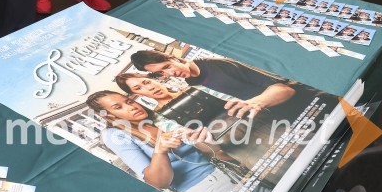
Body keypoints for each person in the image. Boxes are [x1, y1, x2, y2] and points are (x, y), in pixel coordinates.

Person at [86, 91, 258, 192]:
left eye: (129, 101)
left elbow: (211, 152)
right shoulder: (114, 135)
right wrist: (160, 151)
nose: (132, 106)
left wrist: (201, 139)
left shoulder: (158, 119)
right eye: (118, 107)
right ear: (108, 115)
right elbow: (156, 182)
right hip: (208, 190)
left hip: (233, 172)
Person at [130, 50, 305, 119]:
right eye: (161, 73)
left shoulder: (217, 63)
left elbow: (285, 88)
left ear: (174, 57)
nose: (170, 73)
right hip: (281, 121)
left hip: (305, 106)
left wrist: (254, 102)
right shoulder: (192, 84)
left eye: (167, 66)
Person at [115, 72, 180, 111]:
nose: (150, 88)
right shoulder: (161, 117)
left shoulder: (189, 90)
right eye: (138, 88)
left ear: (154, 80)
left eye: (148, 82)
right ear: (137, 94)